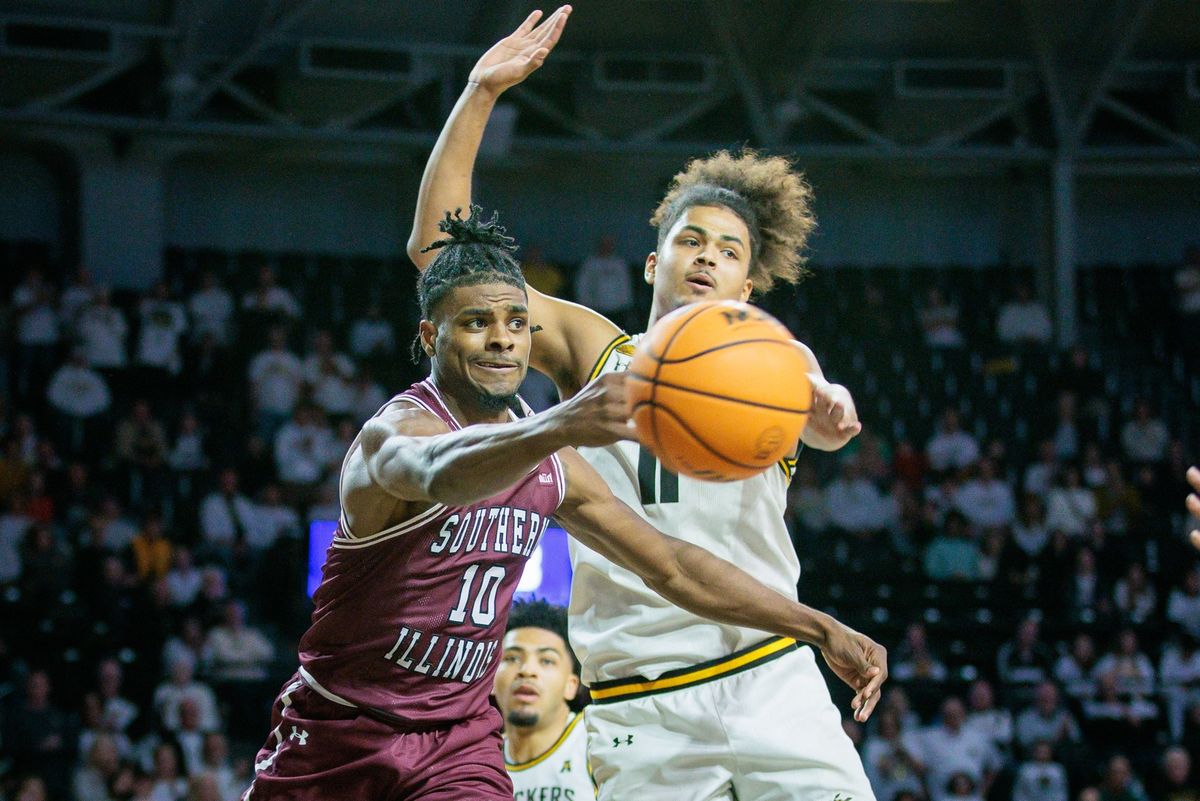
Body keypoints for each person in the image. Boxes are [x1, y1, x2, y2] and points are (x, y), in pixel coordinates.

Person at [407, 9, 885, 800]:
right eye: (692, 240)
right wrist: (479, 94)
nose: (708, 257)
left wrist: (828, 407)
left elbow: (824, 408)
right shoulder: (596, 349)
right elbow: (441, 260)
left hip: (772, 675)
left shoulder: (770, 358)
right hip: (640, 699)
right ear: (653, 260)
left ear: (748, 284)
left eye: (730, 251)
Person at [246, 209, 884, 801]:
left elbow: (671, 565)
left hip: (458, 738)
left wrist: (820, 626)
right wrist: (559, 426)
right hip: (342, 723)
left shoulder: (554, 461)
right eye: (476, 323)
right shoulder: (398, 433)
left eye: (517, 324)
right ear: (430, 334)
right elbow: (442, 473)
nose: (502, 340)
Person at [494, 599, 592, 799]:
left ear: (571, 685)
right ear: (490, 680)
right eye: (512, 658)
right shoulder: (475, 758)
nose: (527, 671)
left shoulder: (596, 740)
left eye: (546, 660)